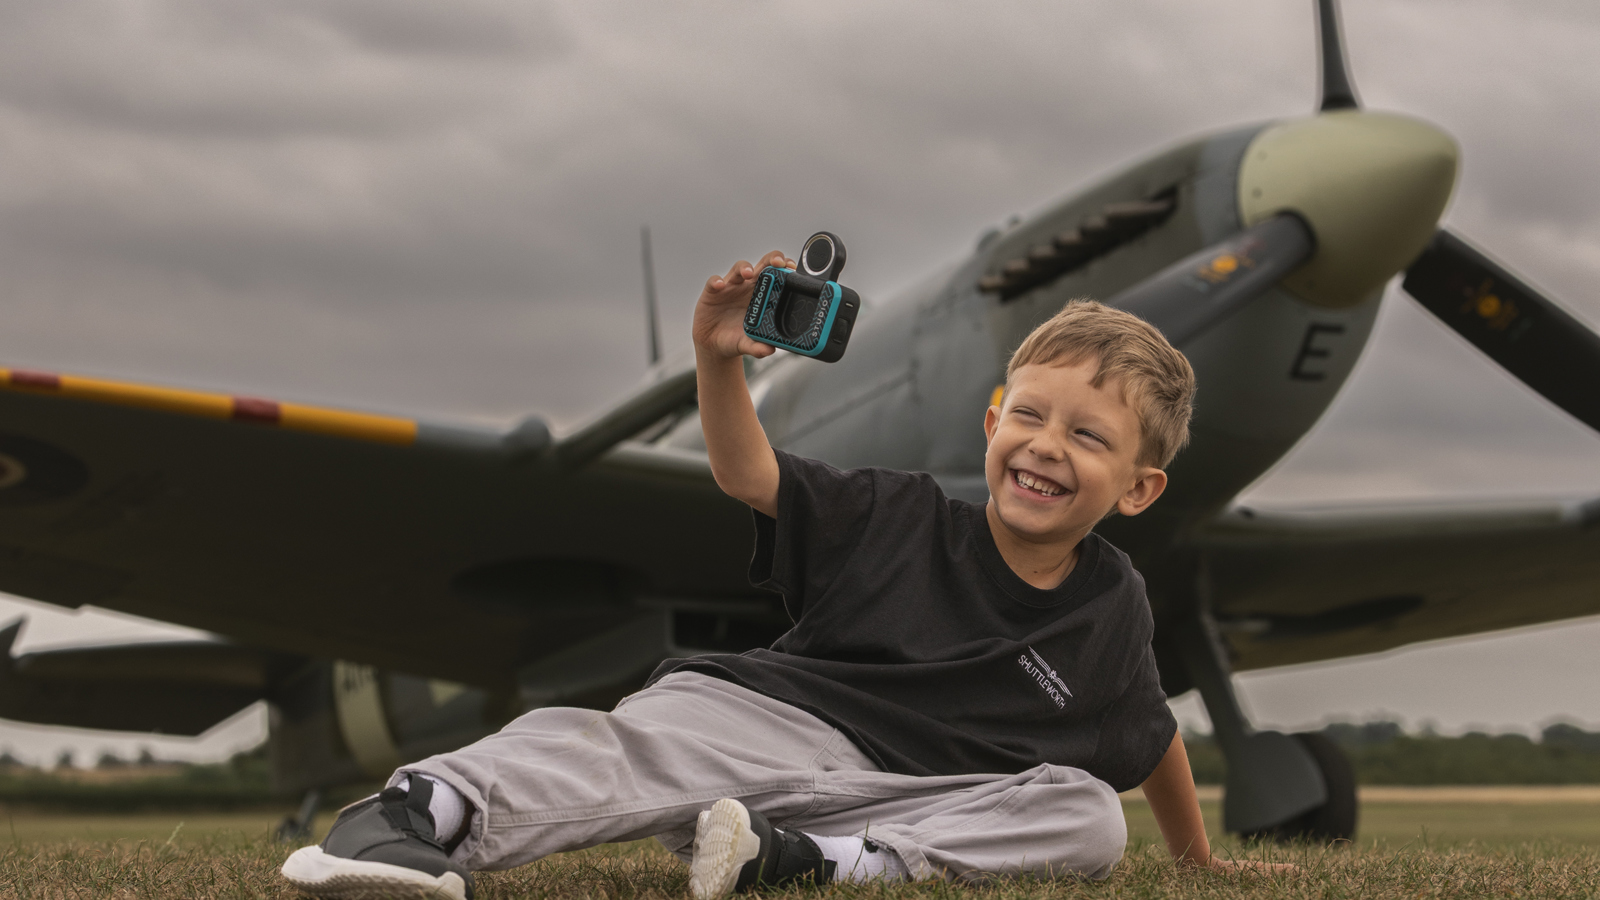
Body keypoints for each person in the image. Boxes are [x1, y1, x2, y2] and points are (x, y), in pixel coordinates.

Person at [281, 250, 1270, 900]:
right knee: (636, 746)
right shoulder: (898, 511)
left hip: (900, 801)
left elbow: (1144, 738)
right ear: (991, 426)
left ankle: (808, 868)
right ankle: (413, 817)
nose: (1045, 446)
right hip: (771, 724)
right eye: (1029, 416)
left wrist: (1194, 859)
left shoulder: (1112, 607)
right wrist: (720, 364)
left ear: (1137, 490)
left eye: (1086, 436)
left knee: (1088, 819)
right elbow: (746, 473)